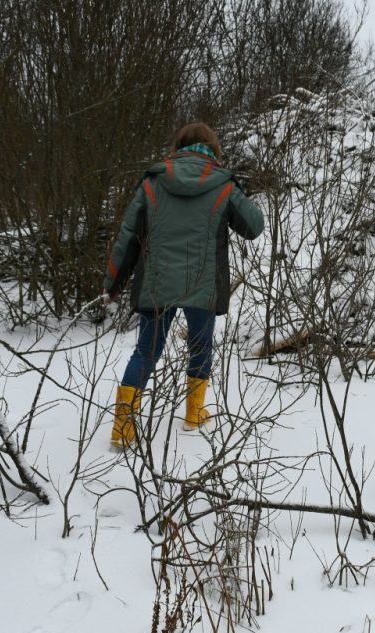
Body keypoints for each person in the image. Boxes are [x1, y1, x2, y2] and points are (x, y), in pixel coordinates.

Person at [102, 122, 264, 447]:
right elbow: (254, 226)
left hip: (157, 283)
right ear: (213, 149)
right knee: (201, 347)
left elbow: (127, 237)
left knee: (146, 352)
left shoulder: (153, 181)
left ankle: (122, 429)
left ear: (178, 147)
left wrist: (113, 281)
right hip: (202, 285)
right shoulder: (223, 183)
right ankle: (194, 414)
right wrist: (233, 188)